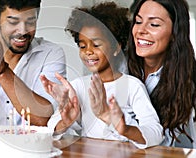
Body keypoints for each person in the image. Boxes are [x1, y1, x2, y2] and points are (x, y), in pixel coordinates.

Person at [40, 2, 163, 149]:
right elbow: (51, 129)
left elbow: (155, 133)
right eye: (82, 45)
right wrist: (66, 121)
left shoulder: (132, 86)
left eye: (96, 45)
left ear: (117, 47)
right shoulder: (78, 86)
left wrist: (123, 128)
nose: (88, 51)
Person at [127, 0, 196, 148]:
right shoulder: (122, 66)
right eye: (138, 21)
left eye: (154, 24)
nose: (140, 30)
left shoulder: (182, 77)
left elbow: (159, 142)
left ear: (175, 33)